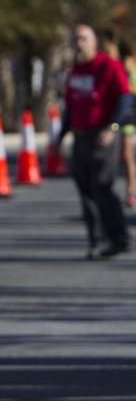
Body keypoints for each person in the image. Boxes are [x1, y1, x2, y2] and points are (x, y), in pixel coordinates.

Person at [53, 24, 132, 259]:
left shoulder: (109, 66)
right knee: (85, 189)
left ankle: (119, 237)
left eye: (83, 38)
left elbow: (125, 98)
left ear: (94, 42)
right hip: (81, 136)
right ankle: (96, 240)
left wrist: (113, 127)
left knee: (102, 185)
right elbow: (71, 106)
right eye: (75, 39)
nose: (79, 43)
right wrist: (61, 136)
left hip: (102, 135)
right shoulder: (76, 71)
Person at [118, 40, 136, 208]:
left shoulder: (132, 73)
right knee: (126, 158)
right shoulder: (120, 71)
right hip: (124, 119)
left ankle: (131, 193)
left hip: (131, 119)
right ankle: (130, 192)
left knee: (128, 157)